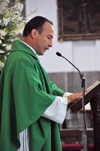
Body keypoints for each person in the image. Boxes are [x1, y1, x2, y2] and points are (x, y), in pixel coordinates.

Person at [0, 16, 82, 151]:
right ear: (34, 33)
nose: (51, 44)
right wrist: (66, 100)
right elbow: (32, 96)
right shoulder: (21, 59)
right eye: (49, 37)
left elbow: (45, 86)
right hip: (26, 131)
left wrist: (69, 96)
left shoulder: (25, 57)